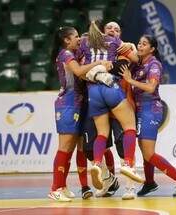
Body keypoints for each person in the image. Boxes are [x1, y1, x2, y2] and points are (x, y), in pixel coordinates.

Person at [119, 34, 176, 197]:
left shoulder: (154, 64)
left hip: (150, 108)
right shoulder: (137, 64)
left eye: (144, 44)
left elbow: (151, 88)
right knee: (143, 148)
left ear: (152, 49)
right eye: (139, 43)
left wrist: (130, 81)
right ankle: (150, 182)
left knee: (148, 153)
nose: (139, 46)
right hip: (140, 109)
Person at [48, 26, 112, 202]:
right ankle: (55, 188)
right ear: (66, 40)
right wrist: (99, 63)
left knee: (70, 149)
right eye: (75, 37)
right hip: (67, 104)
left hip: (77, 104)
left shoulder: (73, 54)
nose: (78, 39)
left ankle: (62, 185)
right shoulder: (66, 54)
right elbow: (78, 71)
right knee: (64, 147)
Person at [78, 20, 144, 191]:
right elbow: (136, 59)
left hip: (93, 91)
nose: (112, 31)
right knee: (129, 127)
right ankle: (128, 165)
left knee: (101, 133)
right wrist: (130, 47)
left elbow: (80, 69)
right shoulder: (115, 42)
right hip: (110, 87)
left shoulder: (85, 42)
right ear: (103, 30)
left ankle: (97, 164)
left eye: (116, 29)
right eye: (109, 28)